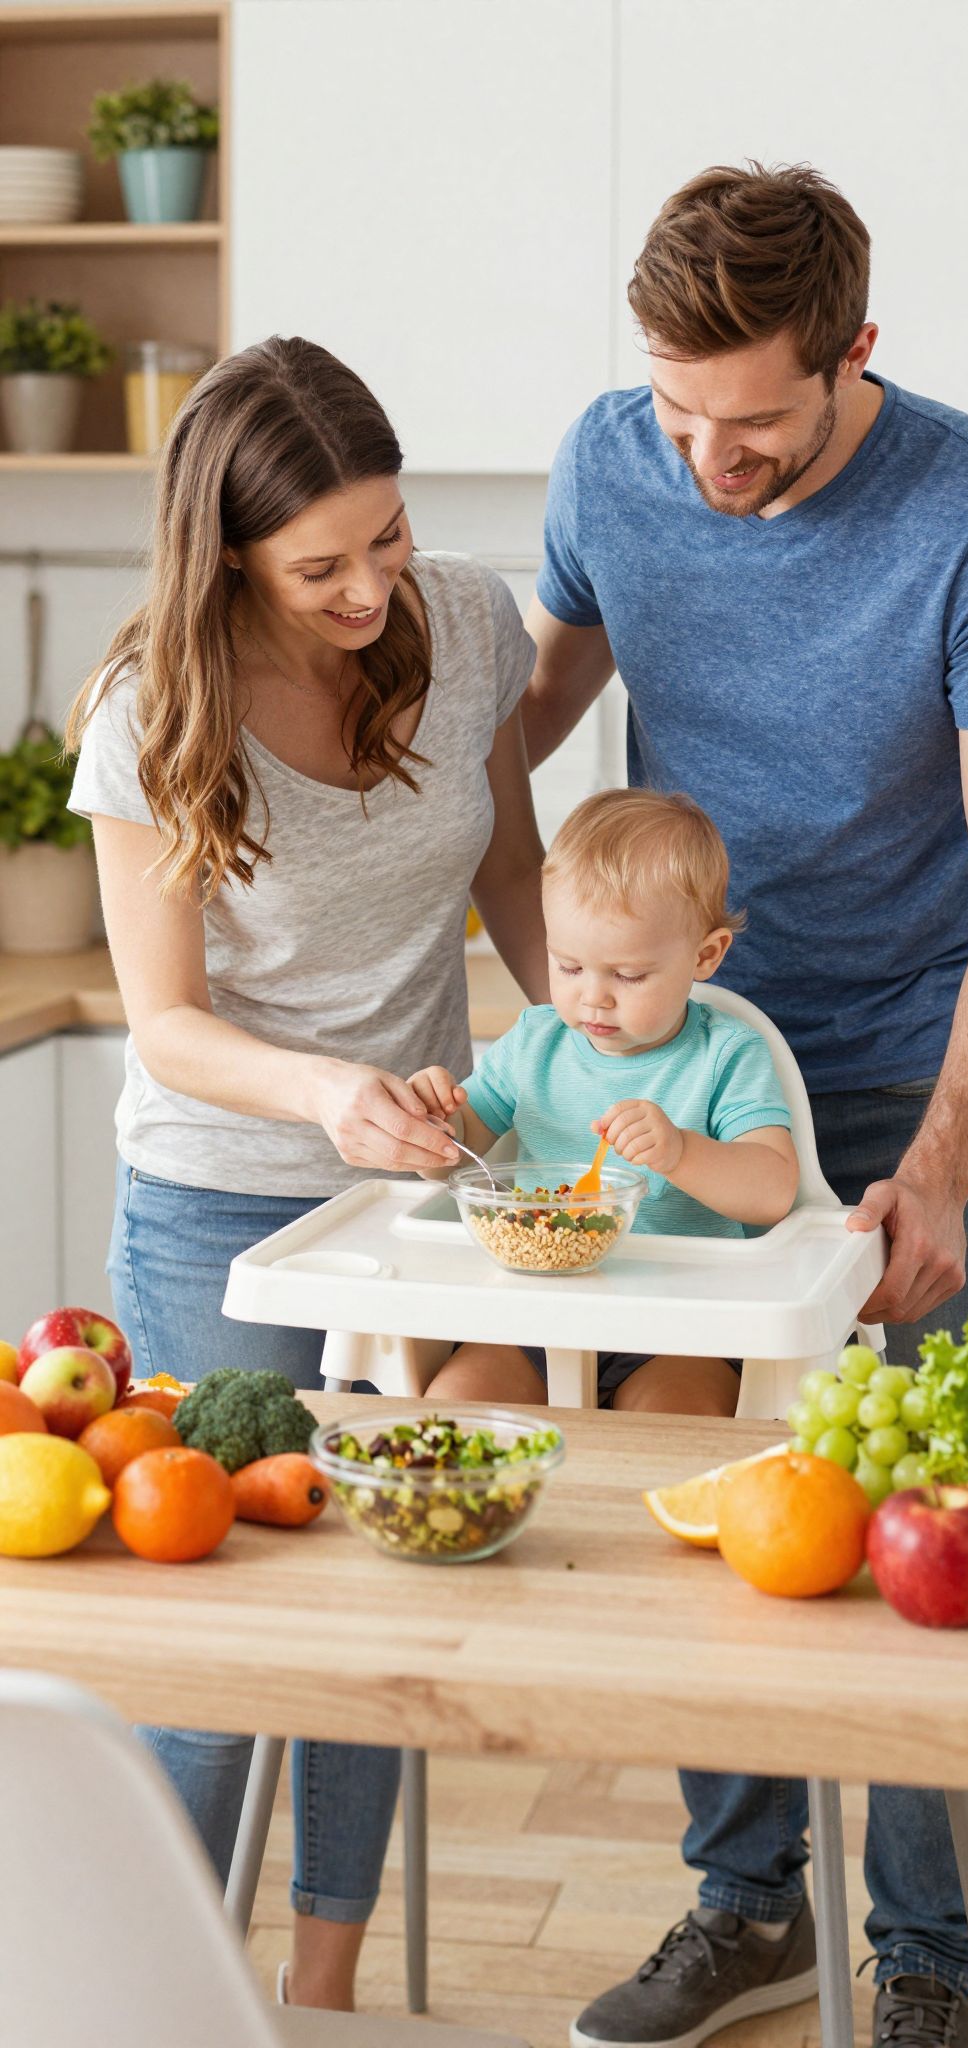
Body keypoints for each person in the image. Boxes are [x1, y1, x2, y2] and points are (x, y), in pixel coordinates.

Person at [520, 165, 968, 2048]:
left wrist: (936, 1164)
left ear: (854, 352)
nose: (703, 456)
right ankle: (742, 1904)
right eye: (675, 410)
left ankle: (930, 1955)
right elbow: (514, 729)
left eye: (749, 420)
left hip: (909, 1053)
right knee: (734, 1508)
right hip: (700, 1055)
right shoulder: (616, 461)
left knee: (934, 1522)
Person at [66, 335, 549, 2014]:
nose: (370, 588)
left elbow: (510, 865)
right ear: (229, 558)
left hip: (411, 1198)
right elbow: (170, 1022)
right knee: (213, 1645)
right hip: (217, 1195)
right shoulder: (150, 710)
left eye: (389, 537)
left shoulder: (470, 622)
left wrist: (584, 1060)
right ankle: (163, 1994)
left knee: (376, 1608)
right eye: (321, 564)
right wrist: (327, 1088)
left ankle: (327, 1991)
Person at [411, 788, 799, 1414]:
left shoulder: (726, 1055)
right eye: (568, 966)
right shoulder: (536, 1041)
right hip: (532, 1313)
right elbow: (458, 1159)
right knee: (456, 1404)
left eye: (627, 975)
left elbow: (774, 1191)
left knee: (674, 1428)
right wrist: (432, 1126)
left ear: (706, 956)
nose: (593, 999)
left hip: (680, 1328)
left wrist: (680, 1153)